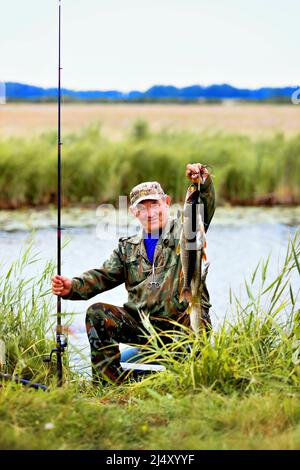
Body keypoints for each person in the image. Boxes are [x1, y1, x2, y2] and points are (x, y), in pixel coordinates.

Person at [51, 163, 215, 384]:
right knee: (97, 314)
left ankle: (201, 376)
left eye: (155, 204)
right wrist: (72, 286)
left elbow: (202, 207)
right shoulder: (127, 248)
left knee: (196, 326)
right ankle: (108, 385)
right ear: (133, 212)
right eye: (143, 207)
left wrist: (201, 183)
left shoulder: (185, 229)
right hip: (144, 329)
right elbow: (103, 276)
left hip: (182, 326)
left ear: (166, 203)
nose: (151, 212)